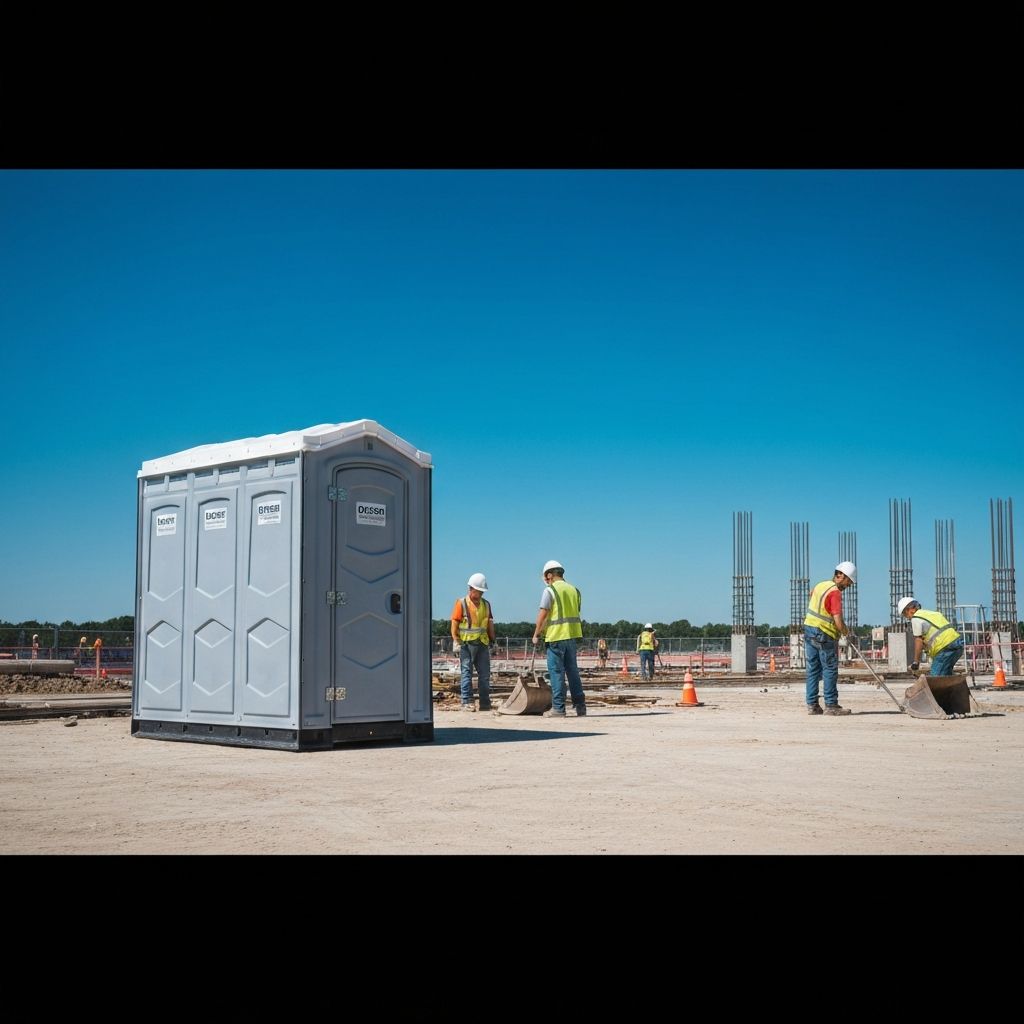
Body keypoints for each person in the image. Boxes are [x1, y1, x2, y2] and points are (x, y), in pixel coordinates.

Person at [532, 560, 586, 718]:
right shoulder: (575, 590)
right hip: (571, 636)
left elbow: (543, 615)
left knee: (556, 673)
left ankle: (558, 708)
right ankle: (580, 706)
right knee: (573, 672)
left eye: (545, 577)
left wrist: (536, 634)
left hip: (555, 637)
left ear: (549, 575)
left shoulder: (550, 591)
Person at [803, 561, 856, 716]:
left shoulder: (821, 585)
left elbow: (811, 593)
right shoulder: (835, 593)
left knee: (813, 669)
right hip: (824, 634)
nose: (849, 585)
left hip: (809, 629)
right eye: (849, 581)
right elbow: (838, 621)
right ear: (841, 576)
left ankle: (812, 705)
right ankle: (831, 705)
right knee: (830, 669)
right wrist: (847, 633)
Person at [451, 572, 495, 711]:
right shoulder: (461, 603)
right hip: (466, 644)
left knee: (484, 675)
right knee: (466, 672)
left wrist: (493, 640)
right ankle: (467, 701)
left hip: (482, 643)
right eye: (479, 591)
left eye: (482, 592)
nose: (481, 594)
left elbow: (489, 624)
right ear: (471, 588)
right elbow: (454, 623)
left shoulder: (486, 604)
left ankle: (485, 703)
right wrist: (456, 640)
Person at [897, 597, 965, 676]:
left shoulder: (915, 618)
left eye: (905, 615)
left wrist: (916, 662)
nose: (907, 618)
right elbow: (937, 632)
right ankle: (953, 686)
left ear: (908, 610)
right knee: (946, 674)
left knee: (936, 678)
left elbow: (918, 641)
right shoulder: (931, 614)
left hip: (945, 647)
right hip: (957, 644)